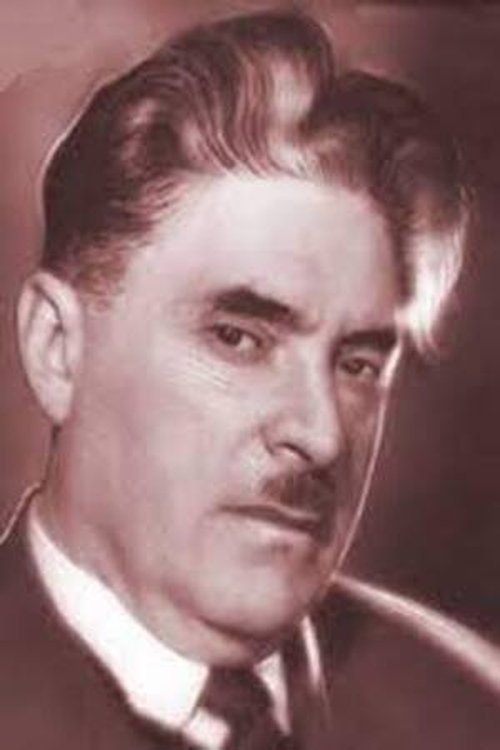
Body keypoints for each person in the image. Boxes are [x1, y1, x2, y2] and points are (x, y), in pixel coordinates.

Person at [2, 8, 499, 750]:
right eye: (238, 338)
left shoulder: (471, 710)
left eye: (358, 364)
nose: (321, 434)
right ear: (57, 349)